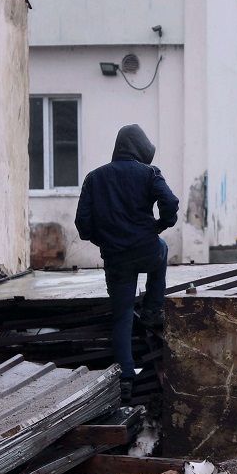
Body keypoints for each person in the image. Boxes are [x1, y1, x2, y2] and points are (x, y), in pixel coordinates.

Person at [75, 125, 179, 402]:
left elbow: (82, 225)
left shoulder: (94, 178)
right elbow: (170, 201)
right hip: (147, 249)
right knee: (163, 250)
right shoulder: (149, 173)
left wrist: (104, 240)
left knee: (121, 318)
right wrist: (161, 225)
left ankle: (125, 379)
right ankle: (153, 310)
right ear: (140, 148)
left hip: (116, 257)